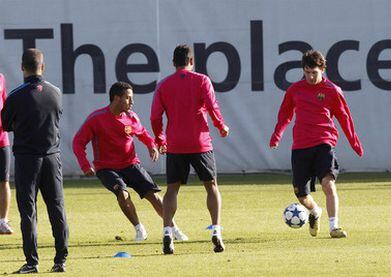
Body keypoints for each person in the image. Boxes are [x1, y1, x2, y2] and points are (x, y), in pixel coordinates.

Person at [72, 81, 188, 243]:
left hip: (130, 164)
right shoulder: (96, 119)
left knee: (153, 196)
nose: (132, 102)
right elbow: (78, 142)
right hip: (107, 168)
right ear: (116, 98)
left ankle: (172, 228)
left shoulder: (131, 117)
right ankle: (139, 229)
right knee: (123, 194)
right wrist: (85, 165)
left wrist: (151, 146)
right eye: (128, 98)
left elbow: (143, 133)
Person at [269, 50, 363, 239]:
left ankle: (334, 226)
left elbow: (345, 117)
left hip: (324, 143)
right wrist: (276, 136)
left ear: (322, 69)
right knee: (301, 195)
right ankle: (315, 211)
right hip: (301, 146)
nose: (311, 76)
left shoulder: (332, 90)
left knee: (328, 184)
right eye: (307, 72)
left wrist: (354, 142)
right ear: (303, 70)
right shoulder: (295, 90)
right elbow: (285, 115)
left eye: (314, 72)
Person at [151, 44, 230, 254]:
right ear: (191, 61)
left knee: (172, 189)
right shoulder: (202, 80)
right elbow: (213, 106)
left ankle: (167, 232)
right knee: (211, 186)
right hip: (200, 142)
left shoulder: (164, 85)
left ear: (173, 63)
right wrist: (221, 126)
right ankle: (216, 231)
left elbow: (155, 116)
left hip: (176, 143)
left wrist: (160, 138)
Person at [1, 48, 69, 274]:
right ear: (43, 67)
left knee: (28, 211)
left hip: (27, 160)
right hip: (52, 158)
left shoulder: (15, 96)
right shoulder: (55, 92)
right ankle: (61, 259)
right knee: (57, 208)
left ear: (22, 67)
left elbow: (7, 125)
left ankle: (32, 262)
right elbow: (57, 117)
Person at [0, 73, 12, 235]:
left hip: (2, 140)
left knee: (4, 181)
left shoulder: (1, 77)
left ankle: (2, 221)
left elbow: (6, 105)